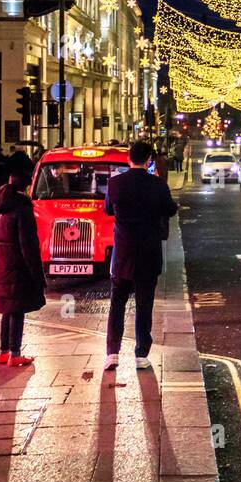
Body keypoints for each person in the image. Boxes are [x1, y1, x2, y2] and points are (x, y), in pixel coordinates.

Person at [102, 141, 177, 371]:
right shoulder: (157, 185)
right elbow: (171, 209)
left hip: (123, 252)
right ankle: (141, 354)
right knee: (144, 305)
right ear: (149, 160)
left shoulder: (114, 183)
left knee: (117, 303)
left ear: (128, 159)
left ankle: (112, 353)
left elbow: (108, 210)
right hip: (148, 252)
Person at [0, 153, 45, 367]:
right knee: (17, 310)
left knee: (7, 309)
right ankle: (15, 353)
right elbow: (28, 244)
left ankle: (3, 351)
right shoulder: (22, 206)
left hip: (2, 261)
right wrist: (37, 275)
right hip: (18, 265)